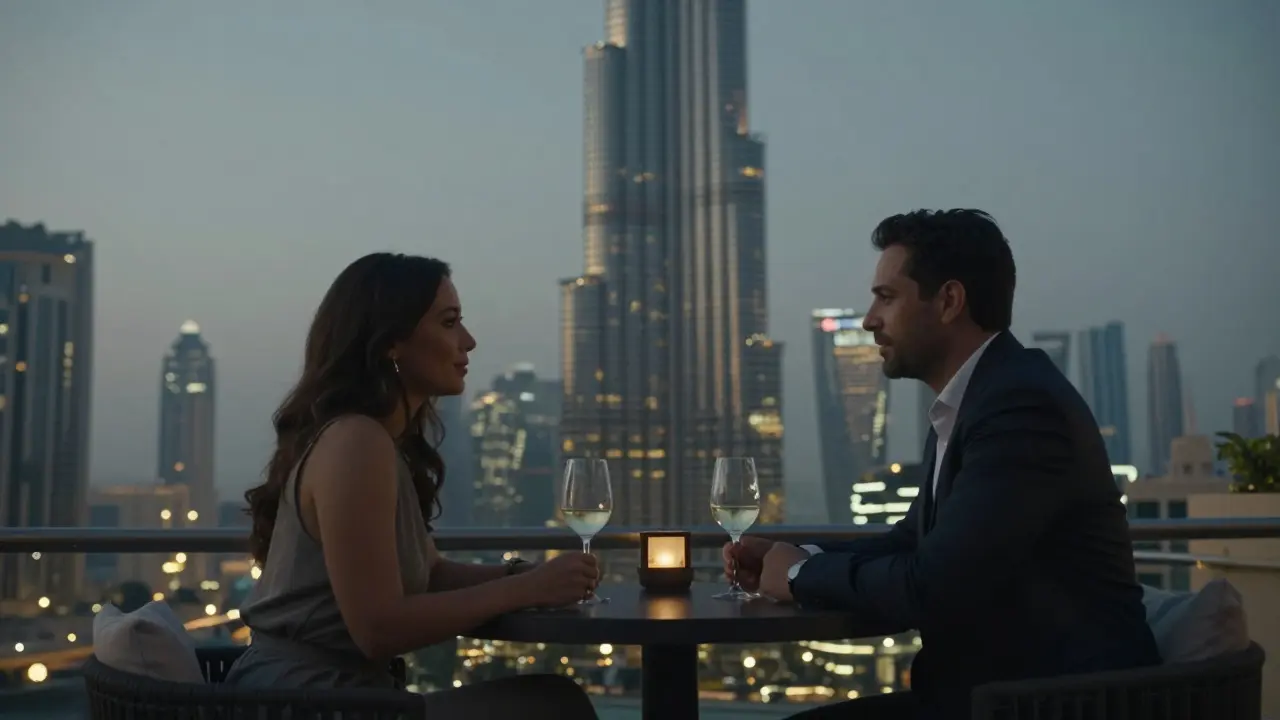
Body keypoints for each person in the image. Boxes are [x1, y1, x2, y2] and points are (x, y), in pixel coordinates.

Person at [725, 210, 1159, 719]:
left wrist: (800, 574)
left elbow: (933, 586)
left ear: (950, 301)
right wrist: (796, 553)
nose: (869, 319)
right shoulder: (974, 402)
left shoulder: (1019, 408)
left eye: (887, 297)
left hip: (1052, 704)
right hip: (992, 698)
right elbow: (912, 542)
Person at [225, 253, 599, 718]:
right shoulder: (356, 443)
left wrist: (524, 576)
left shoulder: (376, 442)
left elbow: (431, 574)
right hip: (305, 700)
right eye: (449, 323)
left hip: (329, 692)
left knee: (551, 700)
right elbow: (378, 628)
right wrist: (528, 590)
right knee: (554, 705)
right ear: (391, 342)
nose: (468, 341)